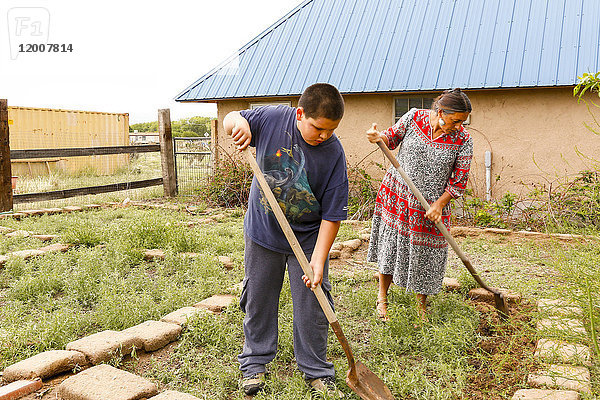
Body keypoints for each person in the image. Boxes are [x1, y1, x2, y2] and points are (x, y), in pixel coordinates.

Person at [223, 83, 349, 398]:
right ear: (300, 113)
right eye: (318, 128)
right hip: (264, 231)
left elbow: (333, 214)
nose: (324, 136)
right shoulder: (273, 118)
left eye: (331, 130)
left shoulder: (333, 153)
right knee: (259, 297)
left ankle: (316, 369)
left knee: (313, 303)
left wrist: (318, 260)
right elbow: (232, 116)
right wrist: (236, 123)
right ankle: (254, 363)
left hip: (307, 238)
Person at [365, 89, 473, 323]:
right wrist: (377, 136)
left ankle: (421, 306)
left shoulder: (463, 140)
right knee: (391, 247)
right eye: (456, 120)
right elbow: (390, 139)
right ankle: (382, 298)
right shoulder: (413, 117)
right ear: (441, 111)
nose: (458, 126)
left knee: (426, 254)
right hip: (397, 197)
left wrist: (439, 204)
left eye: (462, 122)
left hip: (431, 208)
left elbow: (458, 182)